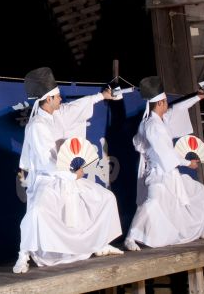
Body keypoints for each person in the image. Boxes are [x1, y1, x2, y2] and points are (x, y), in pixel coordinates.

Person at [13, 67, 123, 274]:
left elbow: (77, 107)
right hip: (48, 180)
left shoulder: (57, 114)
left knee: (105, 198)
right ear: (48, 99)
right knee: (36, 213)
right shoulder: (37, 126)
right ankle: (23, 254)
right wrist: (71, 175)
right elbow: (46, 161)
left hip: (67, 177)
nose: (60, 99)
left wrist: (102, 96)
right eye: (57, 97)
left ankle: (99, 243)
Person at [125, 76, 204, 251]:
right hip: (158, 174)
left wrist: (198, 97)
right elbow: (165, 152)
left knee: (199, 190)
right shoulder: (152, 126)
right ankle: (130, 237)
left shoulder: (160, 119)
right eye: (166, 101)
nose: (168, 104)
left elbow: (177, 109)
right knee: (152, 203)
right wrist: (187, 163)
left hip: (170, 174)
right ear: (160, 103)